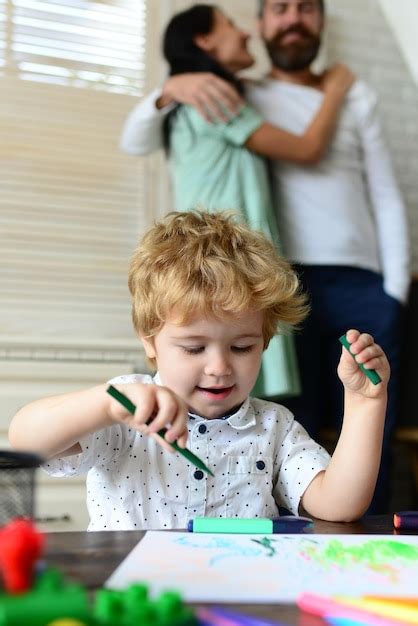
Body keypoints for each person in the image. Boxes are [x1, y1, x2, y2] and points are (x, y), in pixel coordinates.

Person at [119, 0, 410, 513]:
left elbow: (385, 191)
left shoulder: (350, 94)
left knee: (358, 413)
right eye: (278, 9)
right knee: (284, 410)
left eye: (306, 8)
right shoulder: (234, 92)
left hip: (351, 277)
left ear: (321, 21)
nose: (291, 19)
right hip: (267, 275)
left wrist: (395, 290)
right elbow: (137, 136)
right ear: (262, 23)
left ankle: (360, 541)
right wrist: (170, 87)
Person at [9, 210, 390, 531]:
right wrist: (107, 406)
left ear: (265, 341)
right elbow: (27, 440)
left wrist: (363, 404)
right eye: (194, 347)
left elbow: (339, 505)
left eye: (242, 347)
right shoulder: (123, 412)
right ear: (149, 338)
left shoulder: (274, 427)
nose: (220, 367)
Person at [120, 3, 354, 404]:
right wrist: (334, 90)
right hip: (225, 262)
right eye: (230, 25)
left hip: (214, 260)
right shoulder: (214, 98)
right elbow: (308, 148)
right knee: (231, 366)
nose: (245, 33)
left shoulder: (201, 97)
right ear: (204, 40)